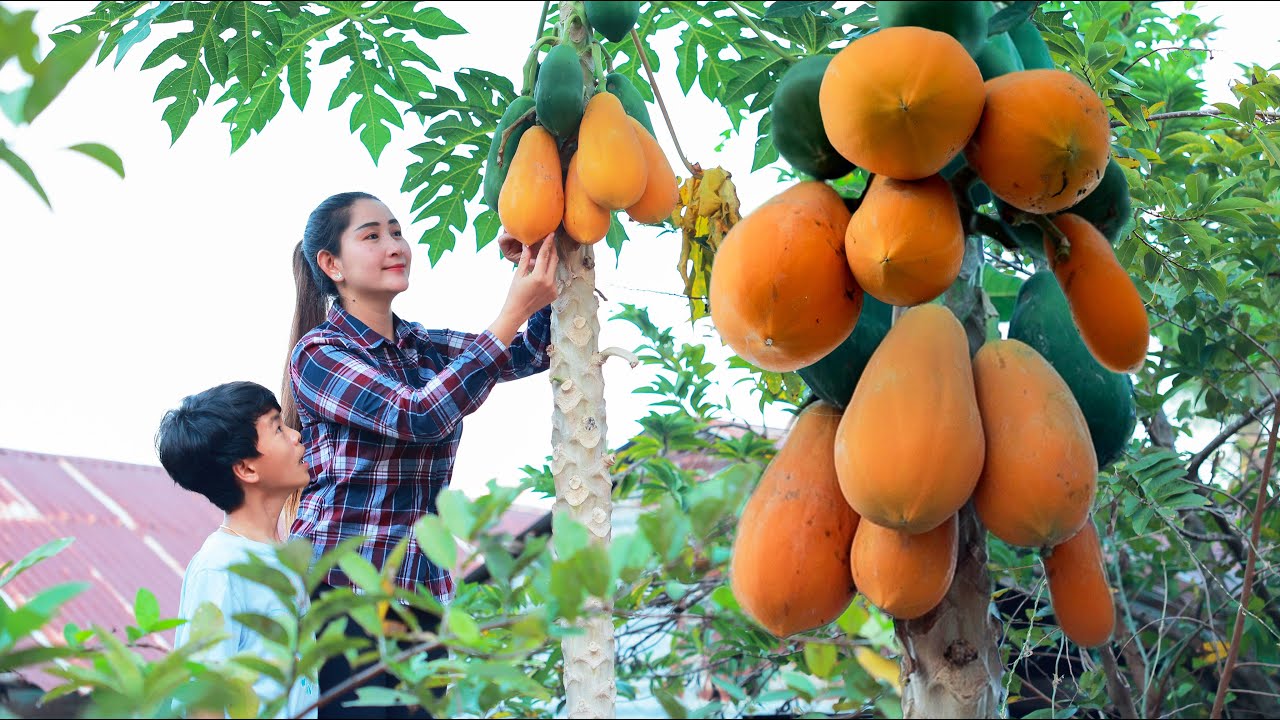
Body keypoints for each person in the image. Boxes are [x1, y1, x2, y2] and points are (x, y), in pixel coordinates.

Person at [280, 191, 558, 719]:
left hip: (420, 591)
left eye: (396, 232)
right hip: (343, 592)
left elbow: (529, 353)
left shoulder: (421, 345)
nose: (394, 245)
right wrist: (513, 309)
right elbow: (418, 415)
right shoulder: (319, 353)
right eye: (372, 236)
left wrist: (534, 264)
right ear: (332, 265)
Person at [155, 380, 319, 719]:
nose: (295, 436)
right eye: (277, 428)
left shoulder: (287, 556)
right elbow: (203, 702)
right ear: (246, 468)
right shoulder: (220, 566)